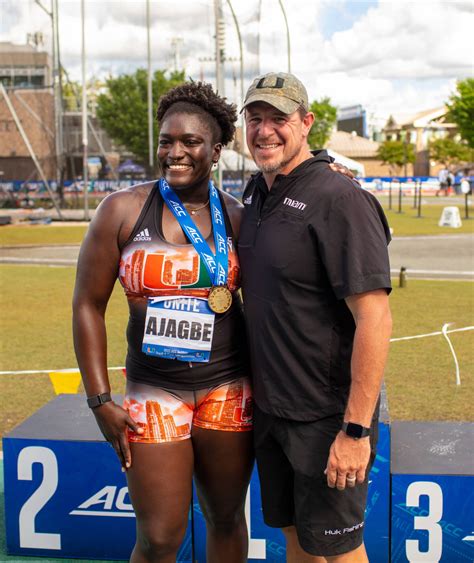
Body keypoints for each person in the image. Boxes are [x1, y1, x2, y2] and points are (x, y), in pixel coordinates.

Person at [73, 82, 254, 563]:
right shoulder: (122, 210)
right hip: (154, 390)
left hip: (228, 390)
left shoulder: (237, 218)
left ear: (215, 151)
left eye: (190, 142)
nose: (175, 152)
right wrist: (99, 400)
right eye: (166, 141)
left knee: (226, 519)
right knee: (159, 538)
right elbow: (88, 305)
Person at [238, 72, 392, 562]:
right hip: (270, 410)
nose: (265, 130)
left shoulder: (340, 199)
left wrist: (354, 432)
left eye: (278, 119)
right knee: (295, 540)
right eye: (255, 118)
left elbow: (376, 320)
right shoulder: (254, 193)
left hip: (326, 418)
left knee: (342, 552)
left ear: (305, 124)